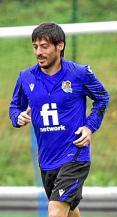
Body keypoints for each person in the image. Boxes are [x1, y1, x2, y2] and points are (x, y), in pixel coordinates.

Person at [9, 22, 110, 217]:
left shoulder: (79, 74)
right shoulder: (26, 77)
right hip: (47, 160)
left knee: (55, 212)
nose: (38, 52)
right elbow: (15, 107)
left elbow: (102, 98)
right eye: (35, 46)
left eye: (44, 46)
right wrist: (18, 117)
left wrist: (89, 127)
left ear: (60, 46)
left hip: (75, 155)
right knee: (70, 212)